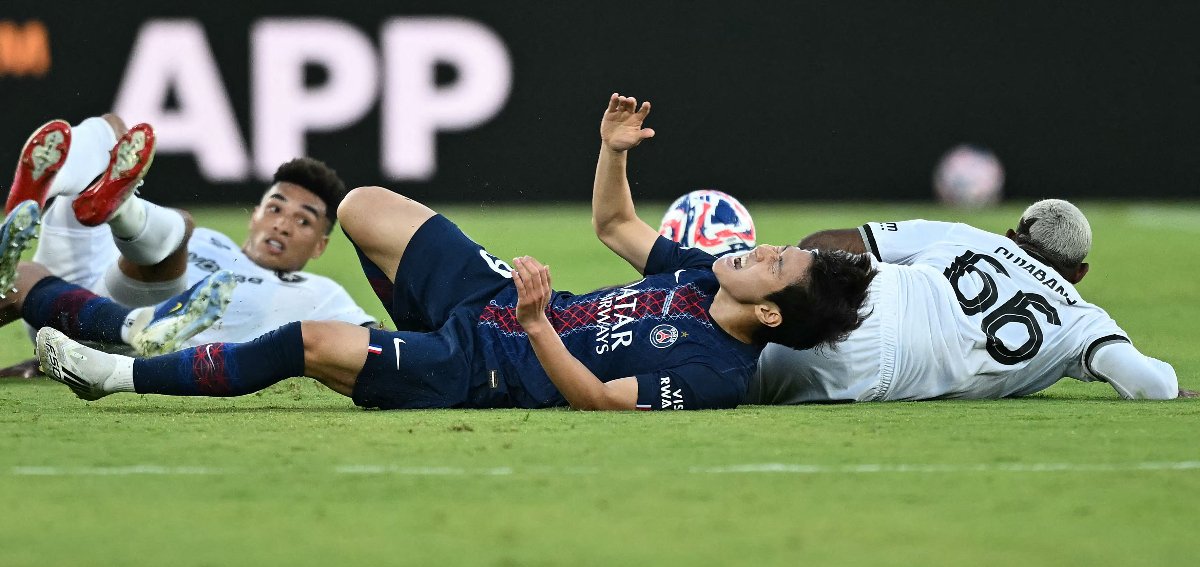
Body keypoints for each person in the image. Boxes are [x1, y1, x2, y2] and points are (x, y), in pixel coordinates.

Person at [33, 93, 876, 411]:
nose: (760, 250)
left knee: (309, 345)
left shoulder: (717, 375)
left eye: (776, 264)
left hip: (491, 368)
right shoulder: (698, 279)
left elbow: (603, 403)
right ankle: (413, 330)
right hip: (495, 300)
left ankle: (108, 376)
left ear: (769, 312)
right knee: (363, 206)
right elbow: (618, 229)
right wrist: (615, 150)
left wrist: (540, 325)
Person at [0, 114, 377, 374]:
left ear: (319, 246)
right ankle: (55, 193)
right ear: (255, 215)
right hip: (85, 295)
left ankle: (119, 207)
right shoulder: (213, 241)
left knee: (180, 230)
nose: (283, 225)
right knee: (111, 128)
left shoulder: (321, 293)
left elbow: (377, 344)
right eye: (276, 208)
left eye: (303, 220)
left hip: (137, 345)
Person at [736, 200, 1190, 402]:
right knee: (716, 379)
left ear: (1013, 235)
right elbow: (1148, 382)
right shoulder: (1081, 320)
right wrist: (1174, 387)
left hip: (866, 294)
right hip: (875, 369)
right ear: (1079, 274)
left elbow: (828, 240)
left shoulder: (968, 235)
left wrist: (795, 279)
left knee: (709, 314)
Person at [0, 200, 238, 355]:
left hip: (107, 322)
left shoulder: (273, 289)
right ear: (256, 213)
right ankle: (138, 324)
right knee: (181, 225)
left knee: (21, 277)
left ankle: (136, 324)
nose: (277, 226)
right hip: (122, 312)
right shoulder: (221, 247)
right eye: (273, 208)